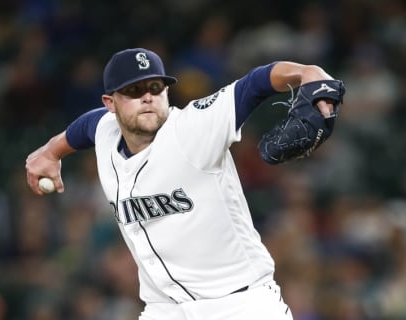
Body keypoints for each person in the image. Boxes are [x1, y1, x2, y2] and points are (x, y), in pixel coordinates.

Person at [25, 47, 340, 319]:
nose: (147, 96)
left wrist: (307, 72)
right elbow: (86, 126)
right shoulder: (107, 131)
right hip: (165, 309)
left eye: (155, 87)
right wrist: (52, 150)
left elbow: (255, 83)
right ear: (112, 102)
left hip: (239, 305)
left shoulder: (193, 128)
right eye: (134, 91)